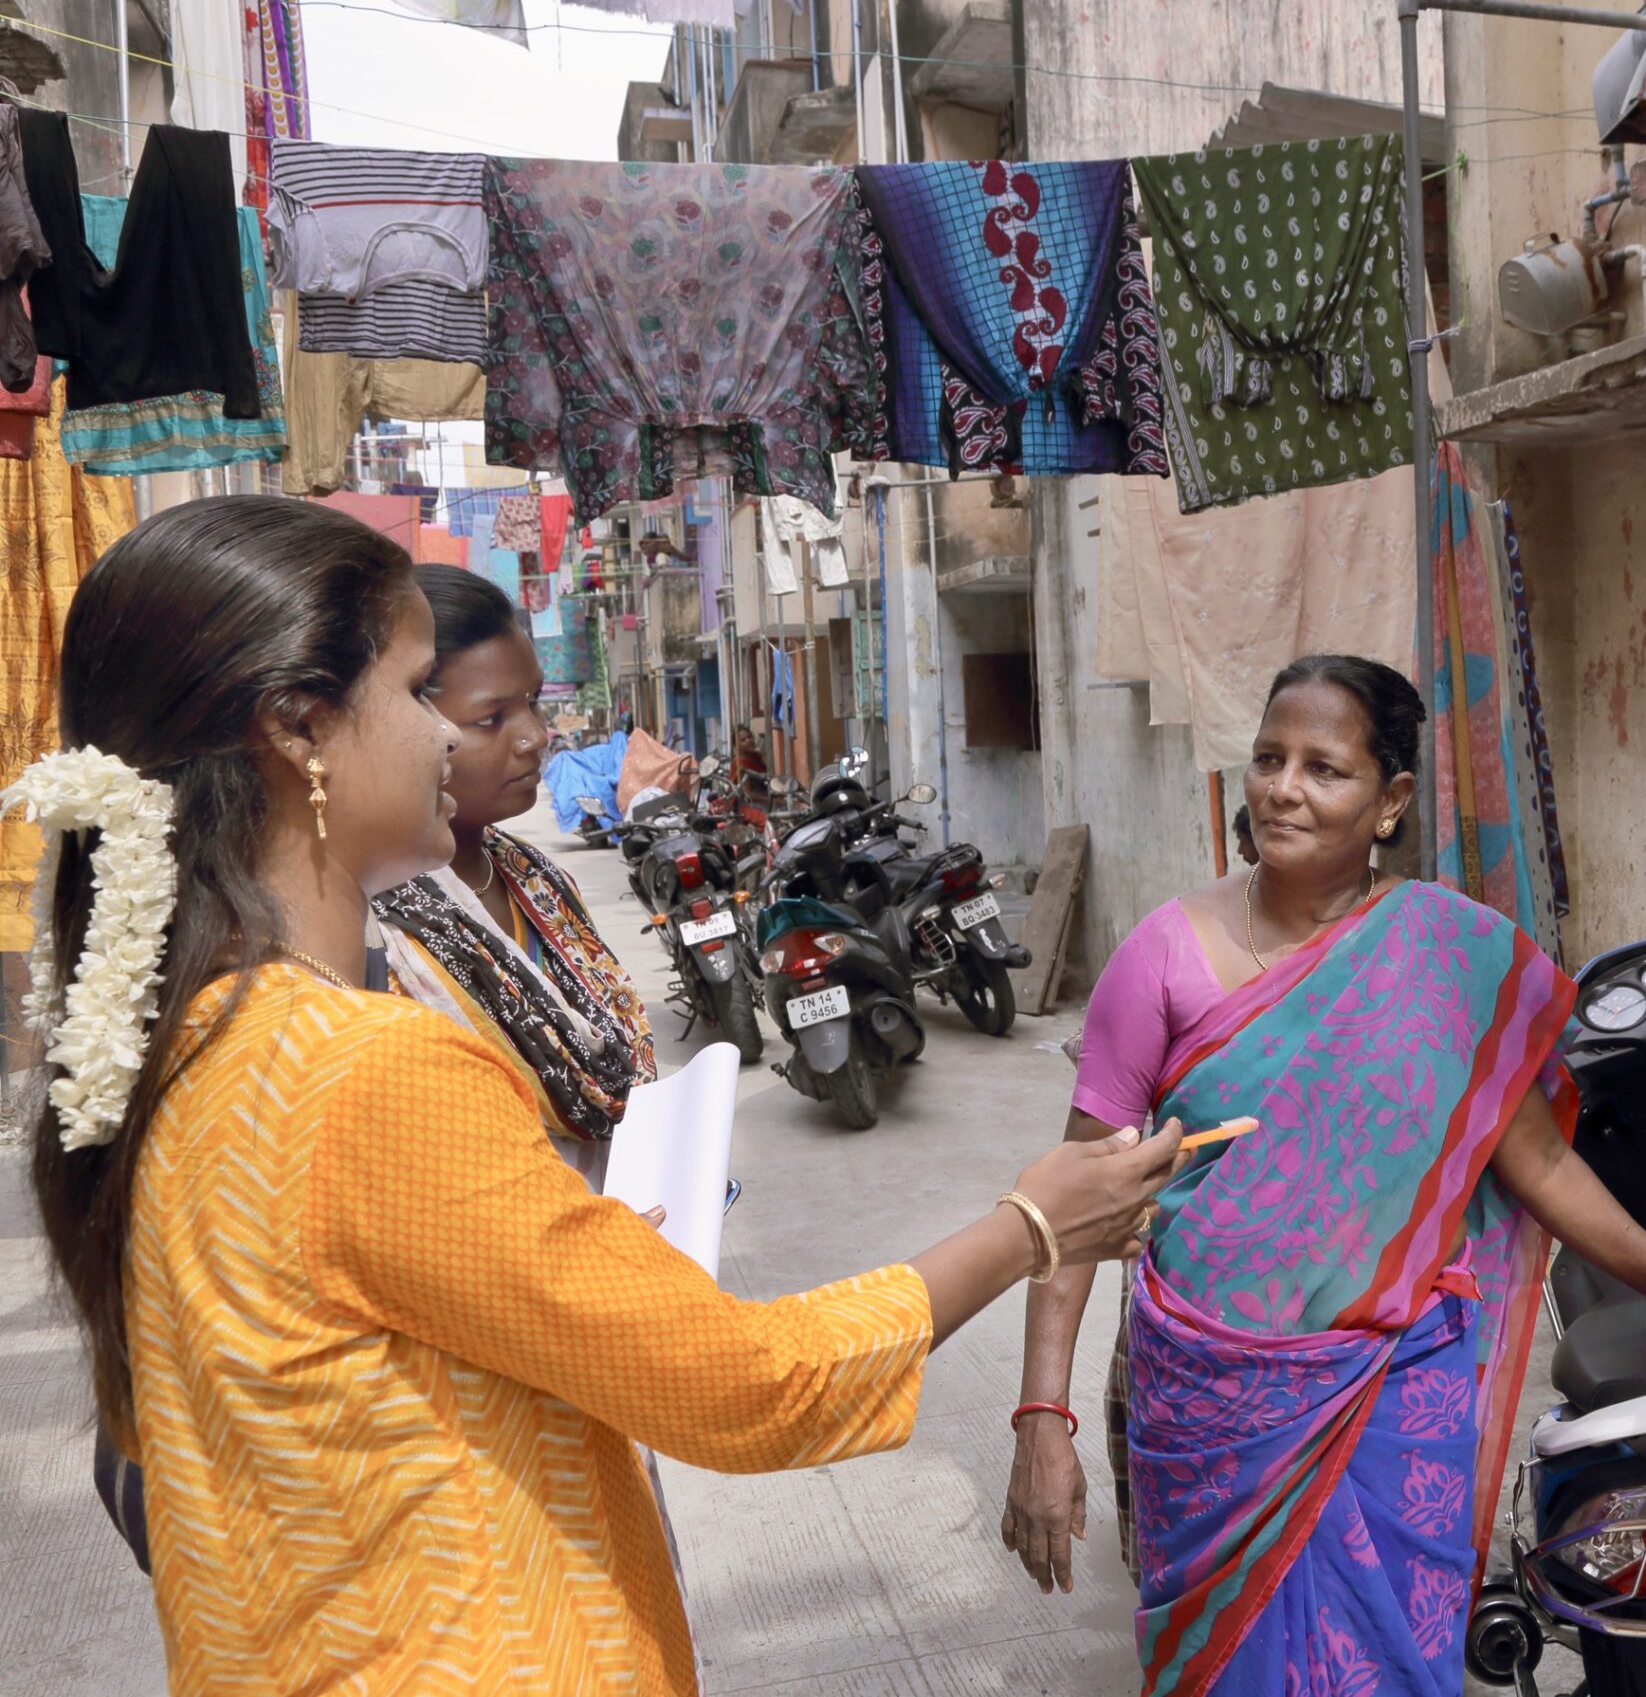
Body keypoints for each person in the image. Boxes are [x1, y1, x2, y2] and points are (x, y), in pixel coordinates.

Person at [12, 497, 1186, 1695]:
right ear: (301, 730)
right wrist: (1032, 1226)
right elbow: (748, 1386)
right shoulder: (360, 1070)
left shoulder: (193, 1038)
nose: (451, 742)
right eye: (421, 695)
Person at [1002, 653, 1646, 1696]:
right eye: (1267, 758)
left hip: (1392, 1389)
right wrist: (1041, 1421)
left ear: (1389, 801)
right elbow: (1071, 1211)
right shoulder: (1159, 956)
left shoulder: (1451, 956)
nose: (1283, 788)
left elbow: (1543, 1166)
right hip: (1208, 1397)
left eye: (1323, 768)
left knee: (1384, 1661)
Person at [374, 563, 652, 1189]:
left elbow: (618, 1046)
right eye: (490, 718)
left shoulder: (536, 878)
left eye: (531, 702)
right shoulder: (374, 924)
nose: (534, 737)